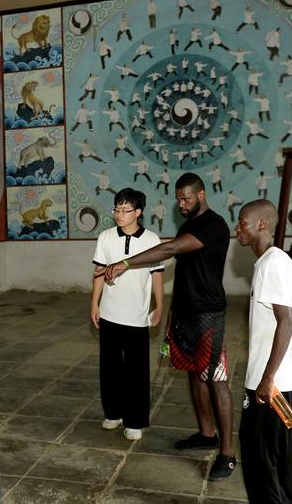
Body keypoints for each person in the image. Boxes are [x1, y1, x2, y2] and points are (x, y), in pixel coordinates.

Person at [99, 173, 237, 481]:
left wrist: (124, 263)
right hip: (186, 312)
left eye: (187, 198)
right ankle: (206, 433)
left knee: (216, 378)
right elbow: (186, 272)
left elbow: (169, 250)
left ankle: (227, 453)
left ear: (201, 195)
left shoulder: (214, 225)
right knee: (193, 373)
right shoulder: (188, 224)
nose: (182, 204)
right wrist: (172, 312)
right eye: (178, 199)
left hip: (208, 313)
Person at [234, 200, 292, 504]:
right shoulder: (269, 262)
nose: (238, 228)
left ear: (262, 225)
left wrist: (268, 379)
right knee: (279, 456)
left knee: (260, 458)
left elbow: (286, 321)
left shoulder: (273, 264)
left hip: (271, 383)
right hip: (274, 380)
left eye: (243, 222)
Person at [91, 188, 165, 442]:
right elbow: (99, 272)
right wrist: (94, 304)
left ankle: (135, 420)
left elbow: (157, 275)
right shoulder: (106, 237)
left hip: (137, 316)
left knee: (137, 370)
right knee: (110, 367)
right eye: (117, 209)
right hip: (110, 313)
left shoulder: (152, 239)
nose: (119, 215)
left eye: (125, 210)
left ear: (138, 212)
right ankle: (113, 412)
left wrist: (160, 305)